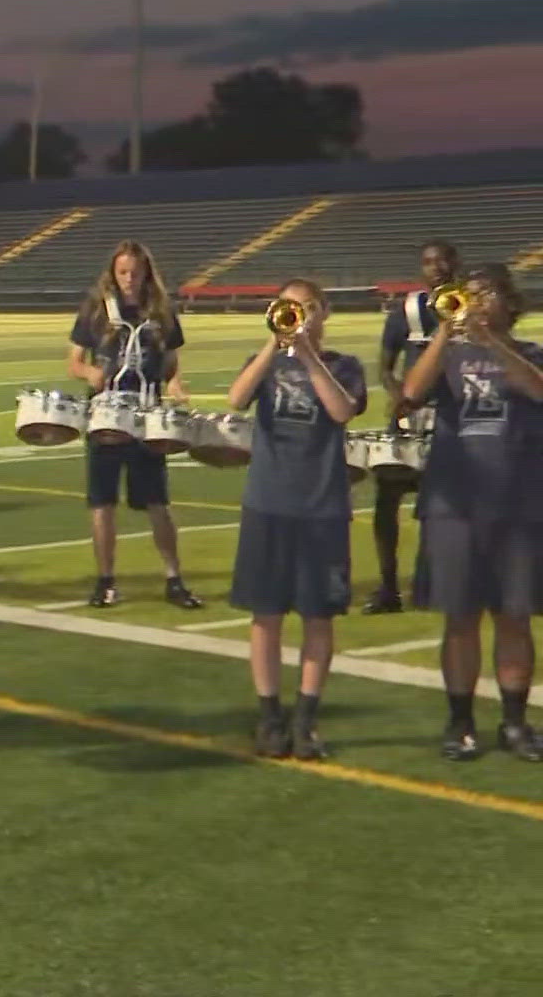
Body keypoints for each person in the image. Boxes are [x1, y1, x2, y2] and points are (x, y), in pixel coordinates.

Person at [401, 264, 543, 762]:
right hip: (452, 502)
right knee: (459, 618)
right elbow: (410, 394)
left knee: (515, 618)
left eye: (486, 294)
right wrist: (446, 331)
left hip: (519, 505)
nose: (477, 301)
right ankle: (460, 721)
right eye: (470, 294)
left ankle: (515, 722)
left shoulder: (527, 352)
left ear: (508, 302)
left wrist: (491, 343)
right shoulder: (446, 354)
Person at [224, 280, 367, 759]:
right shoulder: (264, 361)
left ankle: (305, 719)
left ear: (324, 312)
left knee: (317, 617)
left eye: (307, 308)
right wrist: (274, 342)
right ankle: (269, 717)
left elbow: (341, 409)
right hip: (268, 501)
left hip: (321, 506)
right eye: (289, 309)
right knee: (265, 615)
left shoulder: (345, 366)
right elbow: (236, 399)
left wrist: (307, 354)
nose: (299, 316)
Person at [66, 240, 203, 609]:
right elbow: (74, 361)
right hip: (106, 417)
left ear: (146, 273)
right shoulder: (97, 309)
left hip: (148, 417)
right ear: (113, 272)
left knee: (158, 502)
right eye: (122, 272)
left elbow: (171, 362)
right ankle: (105, 581)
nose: (128, 279)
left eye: (135, 272)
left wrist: (174, 383)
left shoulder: (160, 310)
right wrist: (91, 372)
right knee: (102, 503)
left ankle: (174, 579)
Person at [367, 239, 457, 613]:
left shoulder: (471, 305)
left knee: (443, 505)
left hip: (452, 420)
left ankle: (438, 582)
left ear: (455, 263)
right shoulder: (407, 308)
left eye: (441, 260)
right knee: (386, 499)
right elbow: (385, 366)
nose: (434, 267)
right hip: (408, 419)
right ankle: (389, 588)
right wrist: (399, 395)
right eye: (427, 262)